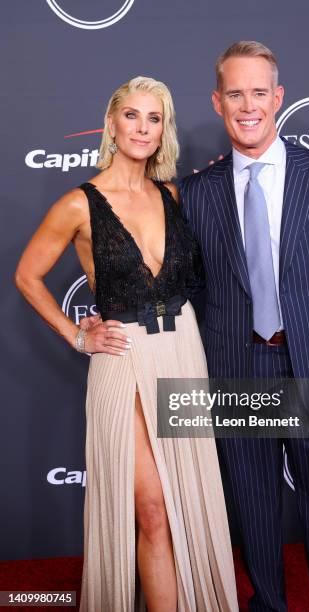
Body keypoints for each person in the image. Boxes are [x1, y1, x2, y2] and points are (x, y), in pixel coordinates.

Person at [14, 76, 239, 612]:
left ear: (165, 131)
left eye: (154, 118)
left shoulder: (174, 195)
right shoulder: (78, 203)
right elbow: (27, 275)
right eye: (132, 116)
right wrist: (77, 334)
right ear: (112, 124)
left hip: (183, 349)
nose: (143, 128)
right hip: (125, 358)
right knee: (153, 508)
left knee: (184, 501)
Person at [178, 42, 309, 611]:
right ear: (219, 102)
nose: (249, 106)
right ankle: (268, 603)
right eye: (236, 94)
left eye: (259, 92)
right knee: (253, 505)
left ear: (279, 97)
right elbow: (187, 287)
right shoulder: (196, 193)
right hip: (235, 366)